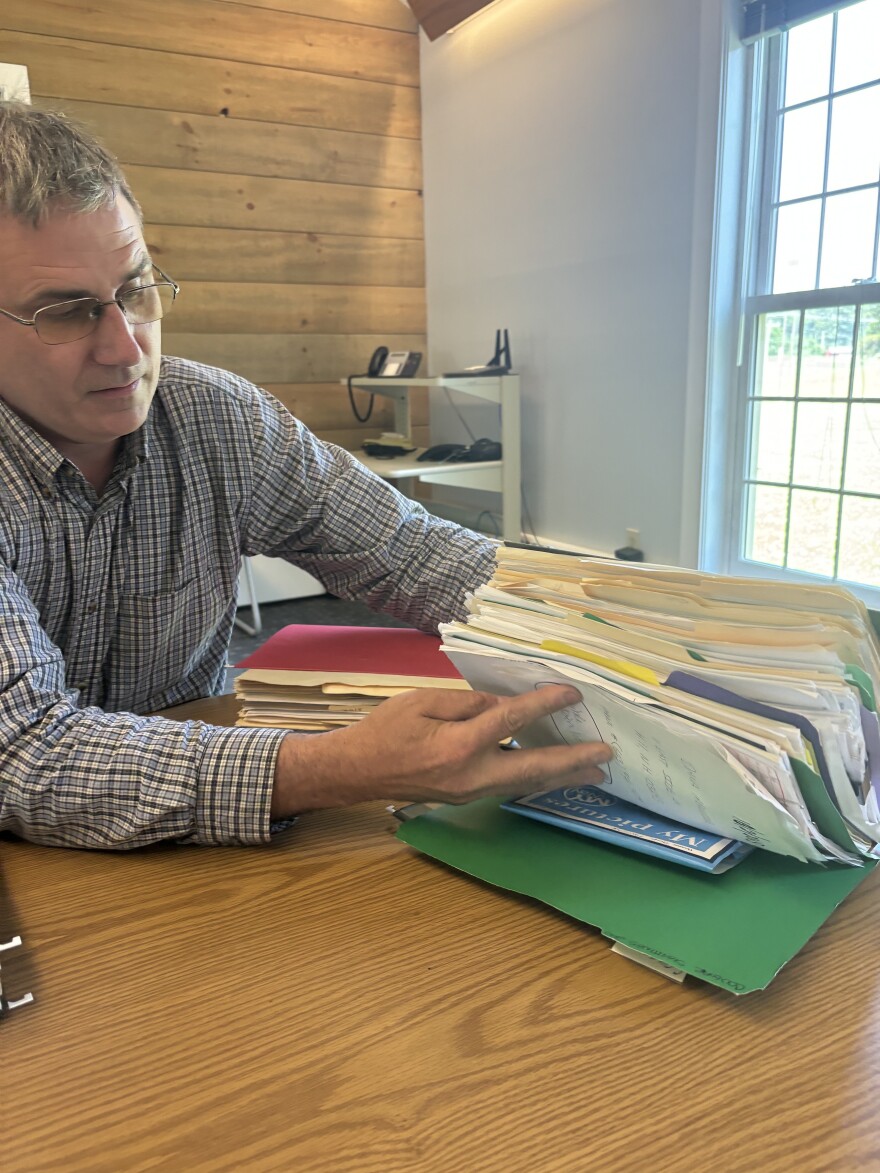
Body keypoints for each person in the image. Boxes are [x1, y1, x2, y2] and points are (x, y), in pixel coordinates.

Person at [0, 102, 612, 850]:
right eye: (66, 312)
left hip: (204, 852)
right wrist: (335, 768)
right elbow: (27, 750)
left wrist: (605, 622)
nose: (126, 348)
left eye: (136, 289)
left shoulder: (216, 416)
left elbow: (411, 553)